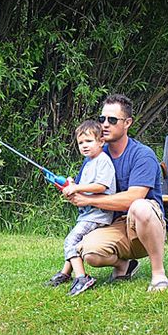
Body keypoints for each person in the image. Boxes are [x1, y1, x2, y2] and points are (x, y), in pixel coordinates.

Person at [66, 94, 168, 292]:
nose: (105, 124)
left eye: (112, 120)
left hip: (144, 224)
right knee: (90, 253)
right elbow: (82, 189)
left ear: (127, 123)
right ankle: (124, 265)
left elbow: (133, 198)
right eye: (102, 119)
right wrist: (71, 188)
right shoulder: (96, 155)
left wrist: (89, 199)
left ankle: (159, 273)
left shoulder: (143, 155)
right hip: (113, 224)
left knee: (139, 206)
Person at [46, 120, 116, 296]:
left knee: (71, 241)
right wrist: (70, 184)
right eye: (81, 143)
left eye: (89, 141)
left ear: (101, 142)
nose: (84, 146)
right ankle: (65, 273)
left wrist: (77, 188)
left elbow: (101, 186)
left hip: (98, 215)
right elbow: (85, 186)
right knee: (74, 242)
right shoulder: (89, 161)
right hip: (88, 214)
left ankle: (82, 278)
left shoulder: (103, 161)